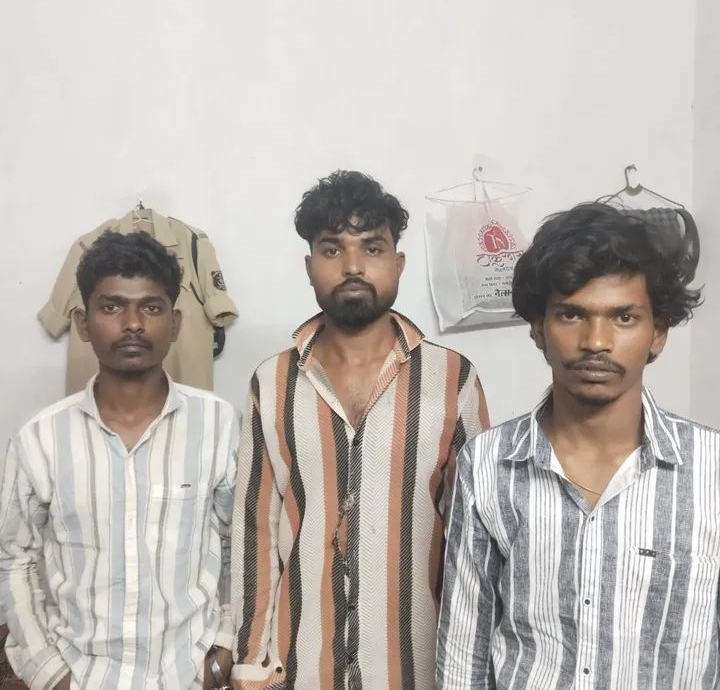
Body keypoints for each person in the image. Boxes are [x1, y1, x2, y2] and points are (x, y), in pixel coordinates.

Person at [435, 202, 715, 689]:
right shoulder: (487, 465)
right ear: (538, 329)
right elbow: (464, 651)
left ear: (658, 333)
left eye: (624, 317)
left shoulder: (712, 471)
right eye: (571, 314)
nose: (596, 341)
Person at [230, 170, 490, 690]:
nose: (352, 266)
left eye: (372, 247)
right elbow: (255, 531)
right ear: (309, 267)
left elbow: (476, 539)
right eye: (332, 249)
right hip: (302, 670)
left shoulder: (452, 378)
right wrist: (250, 663)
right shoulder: (272, 382)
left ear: (398, 263)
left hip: (418, 671)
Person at [0, 231, 238, 690]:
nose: (132, 324)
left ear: (175, 323)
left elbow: (238, 547)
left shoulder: (219, 424)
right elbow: (14, 562)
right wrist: (50, 674)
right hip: (81, 675)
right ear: (83, 323)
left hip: (188, 675)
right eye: (111, 307)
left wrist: (222, 650)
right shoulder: (40, 439)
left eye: (151, 308)